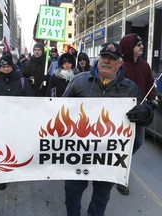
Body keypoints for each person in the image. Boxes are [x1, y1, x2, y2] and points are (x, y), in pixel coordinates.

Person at [62, 42, 153, 216]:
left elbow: (143, 120)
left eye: (112, 58)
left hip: (108, 157)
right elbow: (58, 110)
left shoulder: (131, 89)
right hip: (78, 153)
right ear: (98, 59)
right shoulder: (79, 82)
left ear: (120, 63)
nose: (107, 61)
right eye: (104, 56)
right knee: (72, 191)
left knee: (101, 195)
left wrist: (146, 113)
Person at [0, 52, 33, 190]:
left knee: (16, 148)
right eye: (3, 66)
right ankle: (2, 177)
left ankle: (16, 171)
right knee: (1, 150)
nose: (6, 69)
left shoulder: (21, 81)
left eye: (8, 66)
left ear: (13, 67)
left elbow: (30, 100)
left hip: (17, 123)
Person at [118, 33, 157, 195]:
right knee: (120, 144)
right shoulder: (119, 65)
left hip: (140, 113)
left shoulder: (145, 66)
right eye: (138, 44)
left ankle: (122, 163)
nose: (142, 47)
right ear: (129, 47)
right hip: (121, 114)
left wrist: (153, 98)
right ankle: (120, 176)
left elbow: (149, 84)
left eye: (142, 44)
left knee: (138, 142)